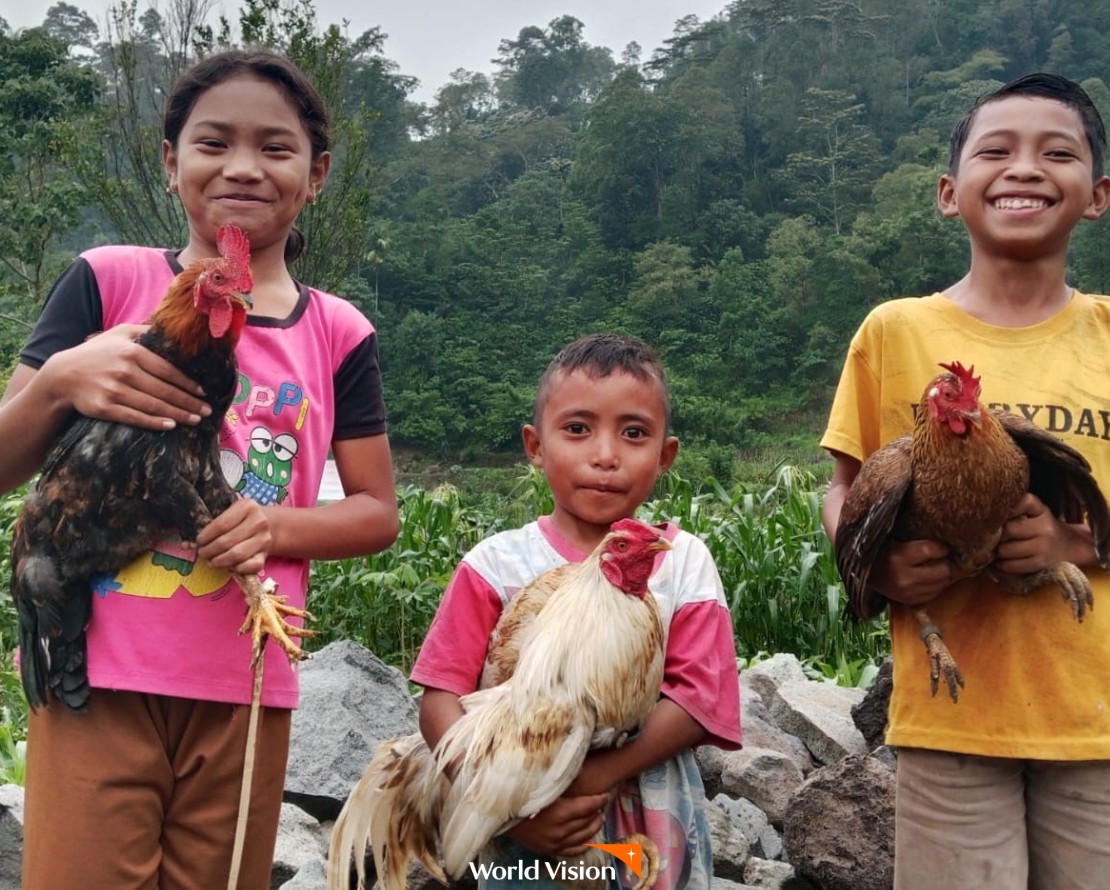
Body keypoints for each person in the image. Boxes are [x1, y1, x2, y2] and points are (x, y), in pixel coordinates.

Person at [1, 49, 400, 889]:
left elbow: (376, 512)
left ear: (317, 174)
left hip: (249, 682)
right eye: (214, 142)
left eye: (276, 147)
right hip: (96, 670)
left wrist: (273, 524)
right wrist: (64, 379)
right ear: (170, 160)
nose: (244, 166)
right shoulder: (107, 282)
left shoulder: (340, 332)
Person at [821, 72, 1110, 890]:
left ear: (1097, 195)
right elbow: (845, 486)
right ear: (951, 193)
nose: (1024, 168)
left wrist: (1073, 541)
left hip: (1099, 721)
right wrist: (869, 561)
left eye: (1058, 152)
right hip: (952, 720)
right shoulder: (896, 330)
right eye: (997, 150)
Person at [411, 332, 742, 889]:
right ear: (535, 445)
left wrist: (590, 777)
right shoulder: (495, 564)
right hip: (530, 827)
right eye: (577, 429)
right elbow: (441, 696)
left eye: (633, 433)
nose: (605, 455)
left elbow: (698, 698)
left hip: (648, 805)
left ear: (666, 455)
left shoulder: (682, 561)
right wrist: (508, 802)